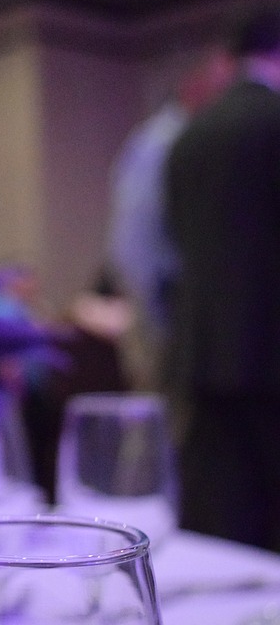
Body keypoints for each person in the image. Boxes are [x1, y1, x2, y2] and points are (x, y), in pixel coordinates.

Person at [164, 5, 280, 553]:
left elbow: (174, 242)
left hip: (204, 352)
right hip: (272, 353)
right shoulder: (274, 121)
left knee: (217, 525)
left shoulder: (189, 136)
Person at [106, 46, 236, 396]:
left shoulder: (194, 143)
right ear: (195, 86)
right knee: (166, 416)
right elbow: (133, 248)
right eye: (225, 87)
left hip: (182, 316)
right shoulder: (160, 145)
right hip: (163, 316)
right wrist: (165, 323)